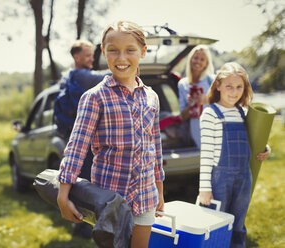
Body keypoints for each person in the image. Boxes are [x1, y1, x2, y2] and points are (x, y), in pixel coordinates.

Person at [57, 20, 165, 248]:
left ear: (143, 52)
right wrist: (63, 194)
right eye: (113, 50)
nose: (121, 57)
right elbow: (76, 148)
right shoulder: (95, 97)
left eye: (130, 50)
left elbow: (155, 148)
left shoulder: (152, 97)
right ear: (104, 52)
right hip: (110, 201)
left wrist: (160, 192)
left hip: (146, 197)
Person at [198, 62, 270, 248]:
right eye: (229, 86)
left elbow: (254, 138)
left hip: (243, 177)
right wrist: (204, 188)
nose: (234, 91)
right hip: (220, 178)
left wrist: (265, 148)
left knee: (238, 224)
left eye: (239, 87)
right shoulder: (210, 114)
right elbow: (206, 154)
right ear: (218, 86)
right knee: (217, 222)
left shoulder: (243, 112)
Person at [54, 40, 108, 239]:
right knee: (86, 183)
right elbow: (110, 76)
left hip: (79, 137)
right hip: (84, 141)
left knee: (82, 182)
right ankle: (84, 226)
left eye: (93, 55)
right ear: (76, 57)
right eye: (88, 55)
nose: (92, 59)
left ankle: (83, 224)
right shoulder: (80, 75)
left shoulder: (69, 78)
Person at [178, 45, 215, 148]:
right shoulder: (183, 84)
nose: (198, 61)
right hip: (195, 129)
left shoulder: (212, 81)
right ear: (190, 60)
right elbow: (183, 116)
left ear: (206, 64)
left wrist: (206, 100)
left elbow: (224, 104)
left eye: (202, 59)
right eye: (195, 58)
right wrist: (191, 105)